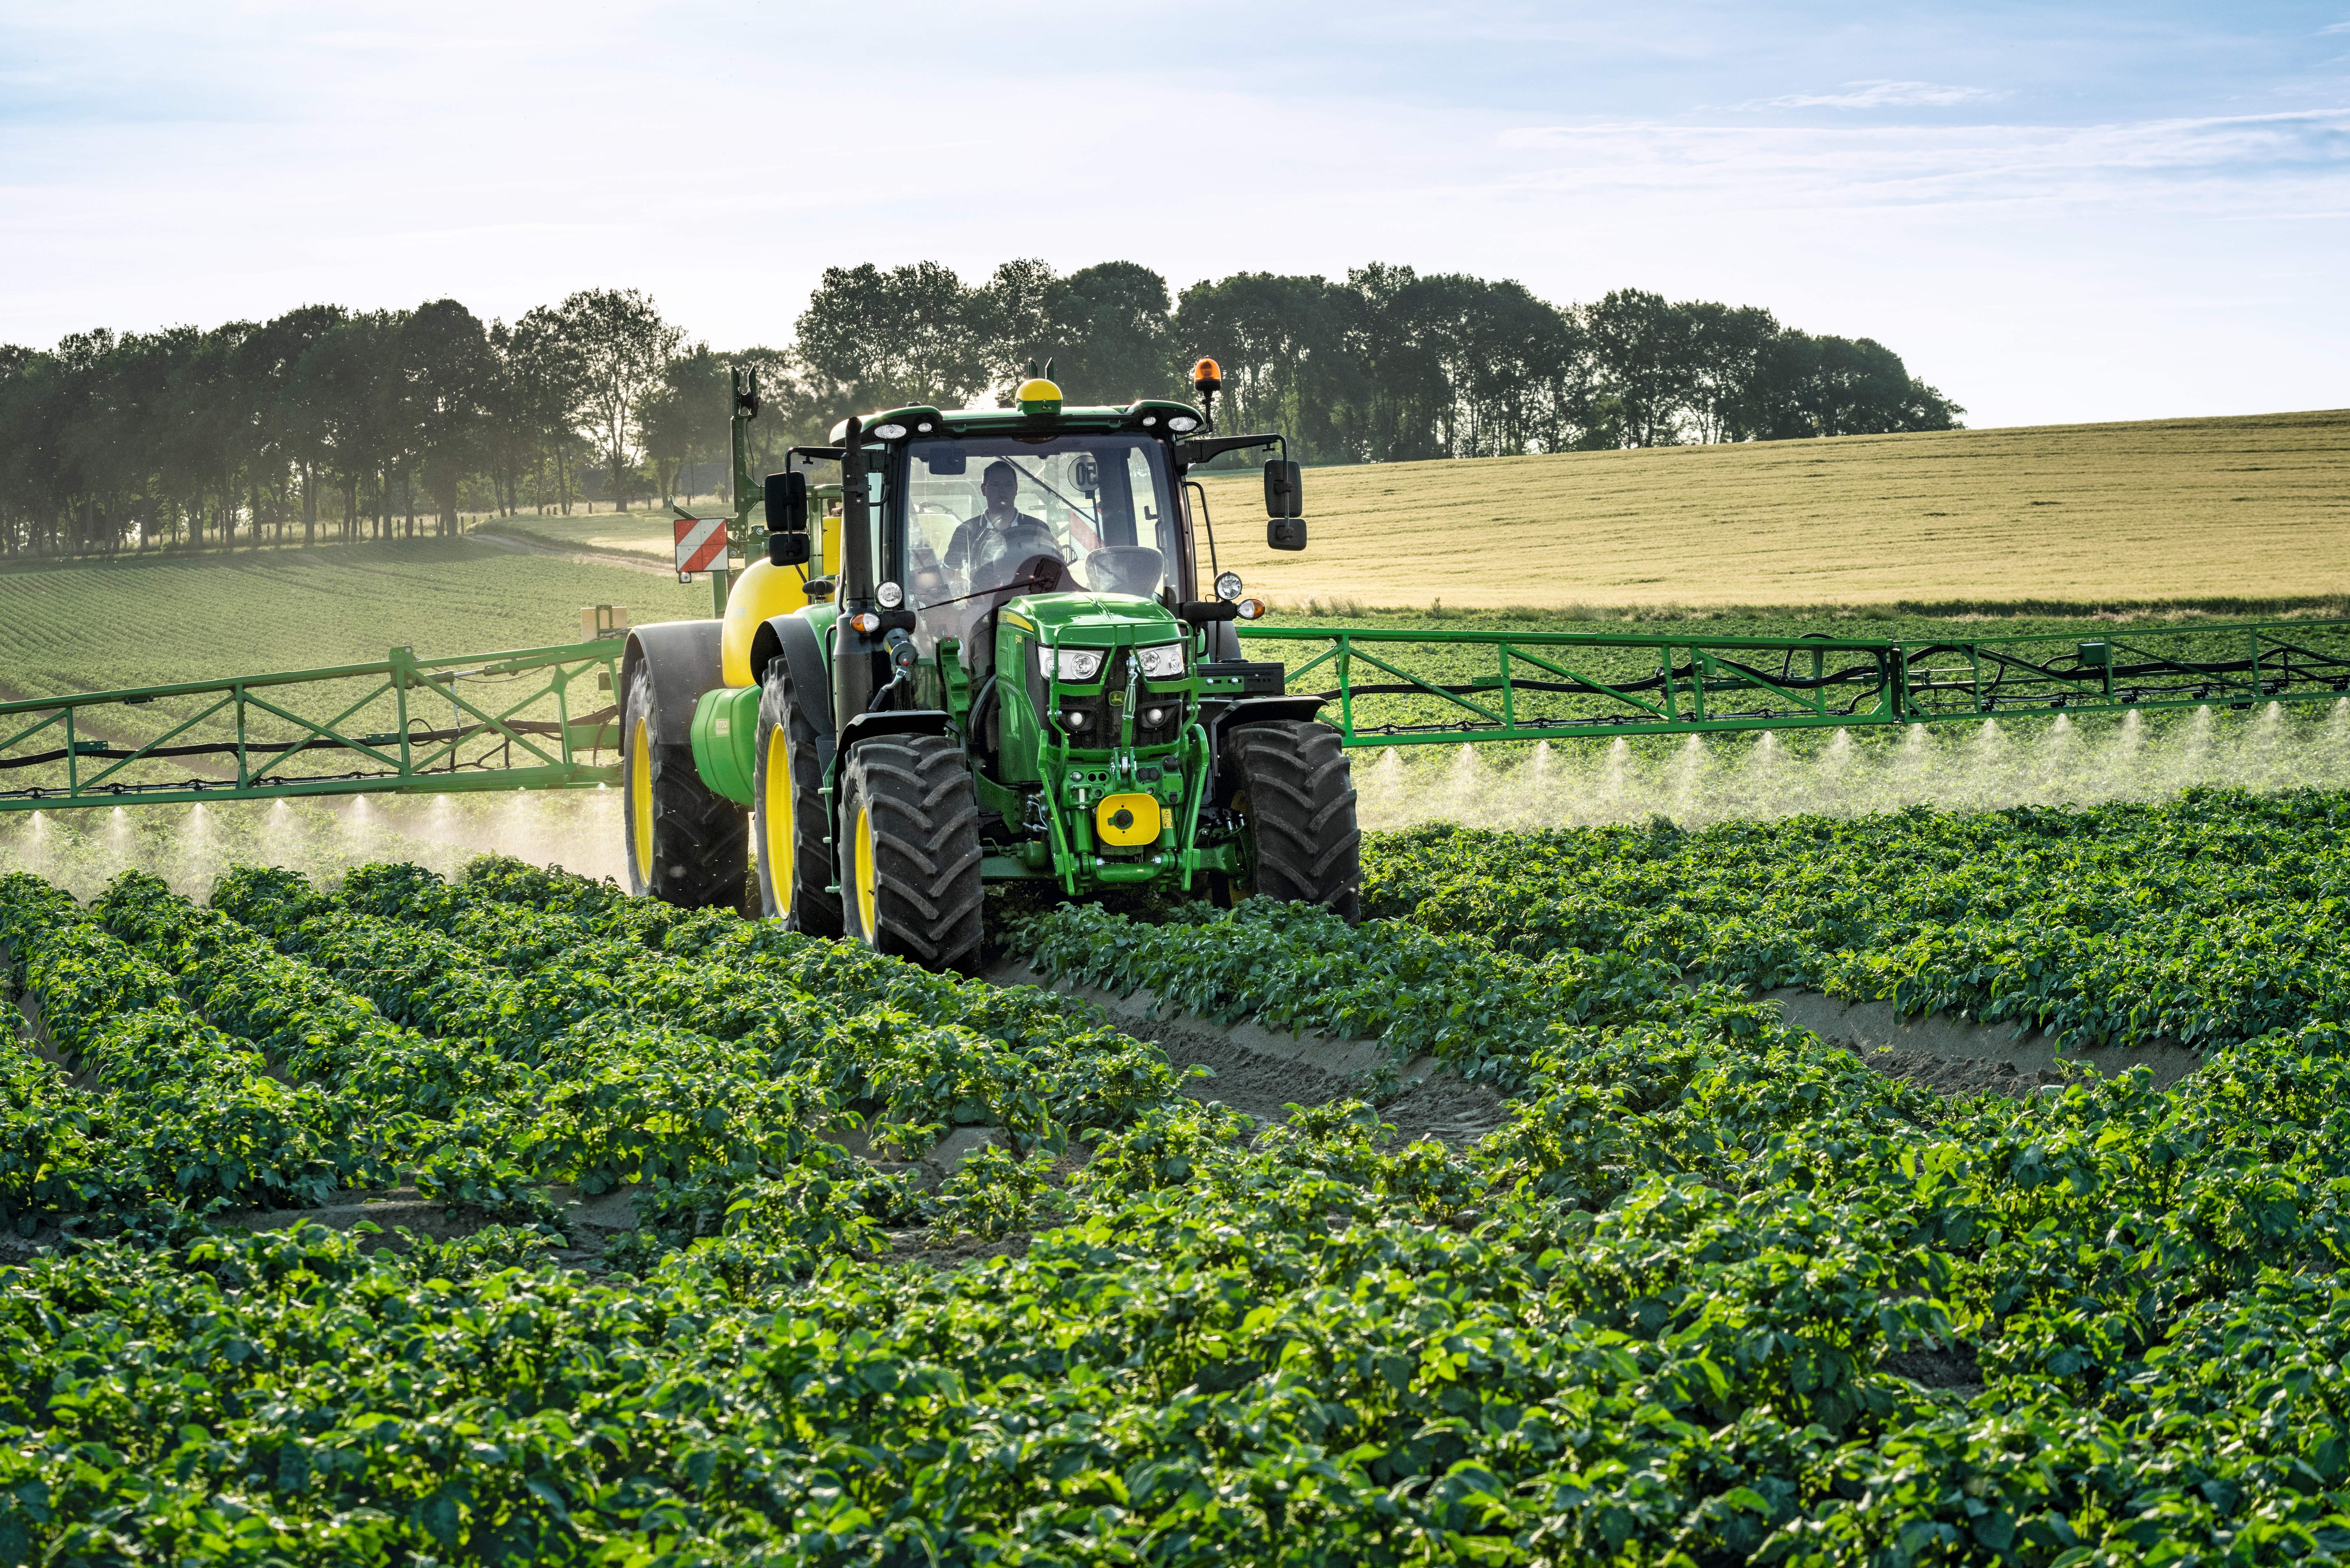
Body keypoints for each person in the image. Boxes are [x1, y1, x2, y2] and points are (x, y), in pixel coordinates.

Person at [944, 461, 1057, 592]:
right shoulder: (967, 531)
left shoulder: (1038, 528)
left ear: (1016, 489)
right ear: (984, 489)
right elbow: (948, 571)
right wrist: (962, 589)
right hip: (982, 604)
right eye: (995, 485)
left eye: (1008, 485)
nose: (1002, 490)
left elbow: (1054, 570)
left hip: (1029, 600)